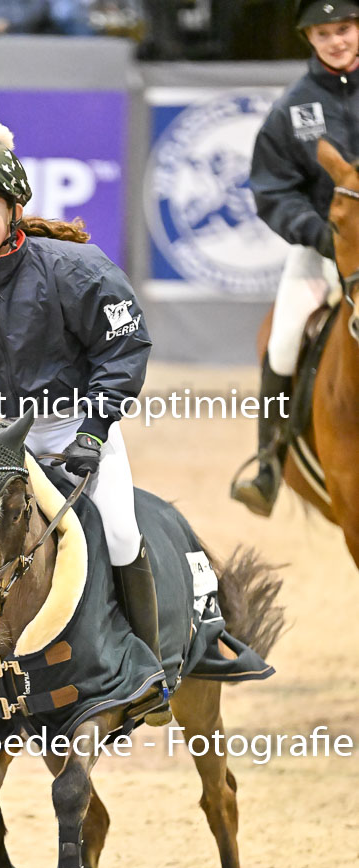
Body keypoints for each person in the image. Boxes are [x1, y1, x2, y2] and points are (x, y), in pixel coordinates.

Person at [0, 119, 163, 680]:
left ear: (14, 209)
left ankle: (149, 665)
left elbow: (122, 347)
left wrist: (94, 429)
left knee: (120, 532)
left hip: (75, 425)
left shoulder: (75, 270)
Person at [232, 0, 359, 516]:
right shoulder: (292, 109)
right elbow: (273, 189)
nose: (336, 41)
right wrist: (319, 233)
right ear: (309, 38)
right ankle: (268, 464)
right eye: (323, 33)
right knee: (284, 340)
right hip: (322, 250)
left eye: (344, 29)